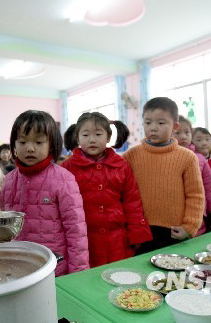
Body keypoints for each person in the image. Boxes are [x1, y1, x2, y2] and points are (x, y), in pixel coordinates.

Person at [0, 110, 89, 276]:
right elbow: (5, 226)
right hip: (19, 266)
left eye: (39, 142)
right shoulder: (9, 180)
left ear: (51, 145)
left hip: (55, 268)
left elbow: (76, 232)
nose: (30, 148)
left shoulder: (64, 179)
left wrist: (79, 273)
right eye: (22, 141)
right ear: (14, 144)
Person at [61, 112, 151, 267]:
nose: (92, 139)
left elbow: (132, 201)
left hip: (117, 240)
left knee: (118, 277)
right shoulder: (67, 168)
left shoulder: (121, 165)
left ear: (108, 137)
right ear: (77, 138)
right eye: (86, 134)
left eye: (98, 134)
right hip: (83, 240)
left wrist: (137, 233)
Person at [123, 97, 205, 252]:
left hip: (174, 231)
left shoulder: (187, 157)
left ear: (175, 126)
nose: (153, 128)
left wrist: (190, 226)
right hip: (139, 229)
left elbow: (195, 195)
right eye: (148, 123)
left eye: (161, 123)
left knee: (171, 274)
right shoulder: (130, 156)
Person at [172, 116, 211, 235]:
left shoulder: (200, 159)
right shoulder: (164, 158)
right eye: (177, 132)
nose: (183, 136)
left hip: (196, 215)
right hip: (171, 217)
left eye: (187, 132)